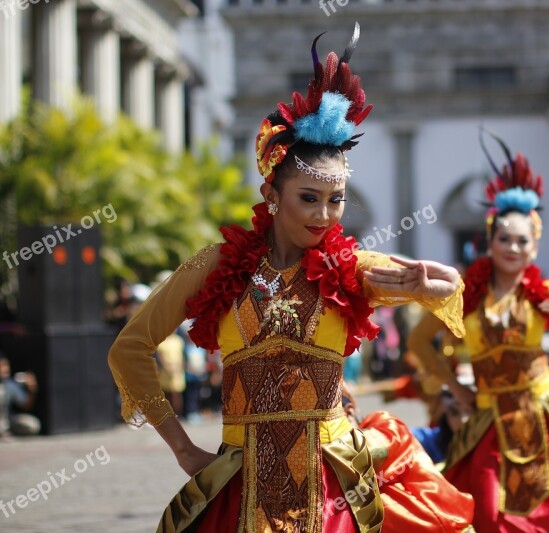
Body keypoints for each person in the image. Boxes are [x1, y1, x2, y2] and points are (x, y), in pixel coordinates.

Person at [107, 25, 466, 532]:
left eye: (336, 199)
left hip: (334, 490)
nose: (324, 215)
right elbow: (130, 347)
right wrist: (185, 450)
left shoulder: (349, 268)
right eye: (309, 198)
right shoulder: (214, 265)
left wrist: (430, 284)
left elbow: (446, 282)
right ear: (271, 193)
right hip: (238, 485)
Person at [409, 131, 549, 532]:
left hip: (543, 413)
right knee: (486, 510)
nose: (513, 248)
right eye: (505, 239)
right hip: (487, 416)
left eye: (522, 241)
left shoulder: (543, 292)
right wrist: (454, 388)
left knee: (548, 511)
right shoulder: (463, 294)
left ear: (534, 247)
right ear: (490, 241)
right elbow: (418, 342)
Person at [340, 384, 475, 532]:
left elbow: (365, 450)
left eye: (322, 424)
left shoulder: (385, 424)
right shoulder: (322, 466)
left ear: (349, 412)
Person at [0, 355, 40, 438]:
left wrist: (31, 390)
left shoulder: (10, 384)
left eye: (6, 366)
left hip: (7, 421)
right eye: (1, 366)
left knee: (32, 424)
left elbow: (25, 405)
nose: (4, 369)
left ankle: (5, 430)